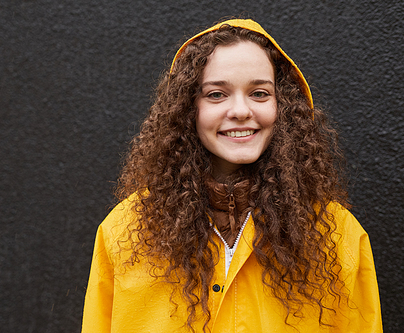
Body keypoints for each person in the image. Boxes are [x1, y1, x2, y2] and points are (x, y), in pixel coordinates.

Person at [81, 19, 382, 333]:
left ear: (285, 106)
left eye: (260, 93)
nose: (240, 110)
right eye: (216, 95)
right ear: (186, 108)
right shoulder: (124, 232)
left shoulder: (338, 236)